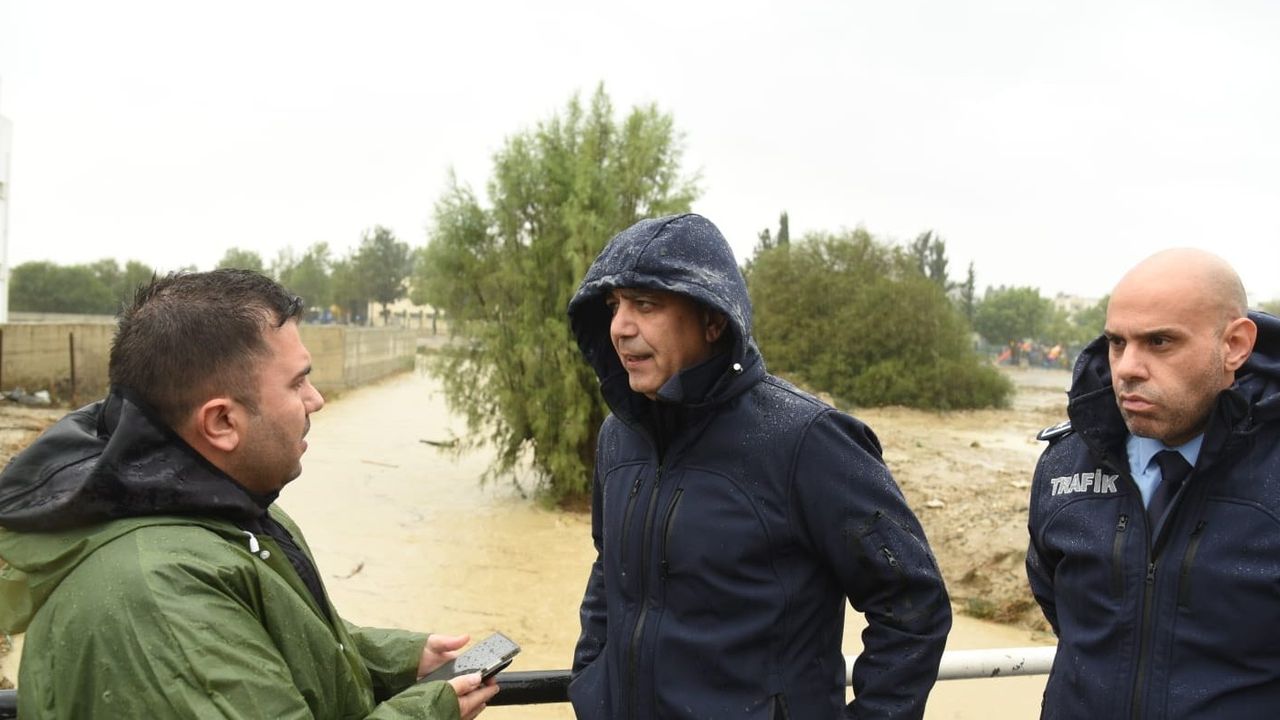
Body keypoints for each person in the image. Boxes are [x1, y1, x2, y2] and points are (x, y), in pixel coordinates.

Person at [0, 270, 499, 719]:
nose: (317, 400)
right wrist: (428, 711)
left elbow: (270, 637)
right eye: (298, 384)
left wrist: (398, 660)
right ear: (221, 421)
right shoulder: (159, 600)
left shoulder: (220, 508)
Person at [566, 213, 951, 719]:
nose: (620, 327)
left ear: (713, 320)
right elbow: (609, 571)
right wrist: (591, 680)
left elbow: (913, 604)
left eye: (646, 305)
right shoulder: (619, 437)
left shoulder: (808, 440)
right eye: (614, 305)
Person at [1026, 248, 1280, 718]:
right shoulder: (1064, 465)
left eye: (1159, 342)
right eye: (1117, 342)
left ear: (1235, 345)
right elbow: (1061, 607)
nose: (1127, 368)